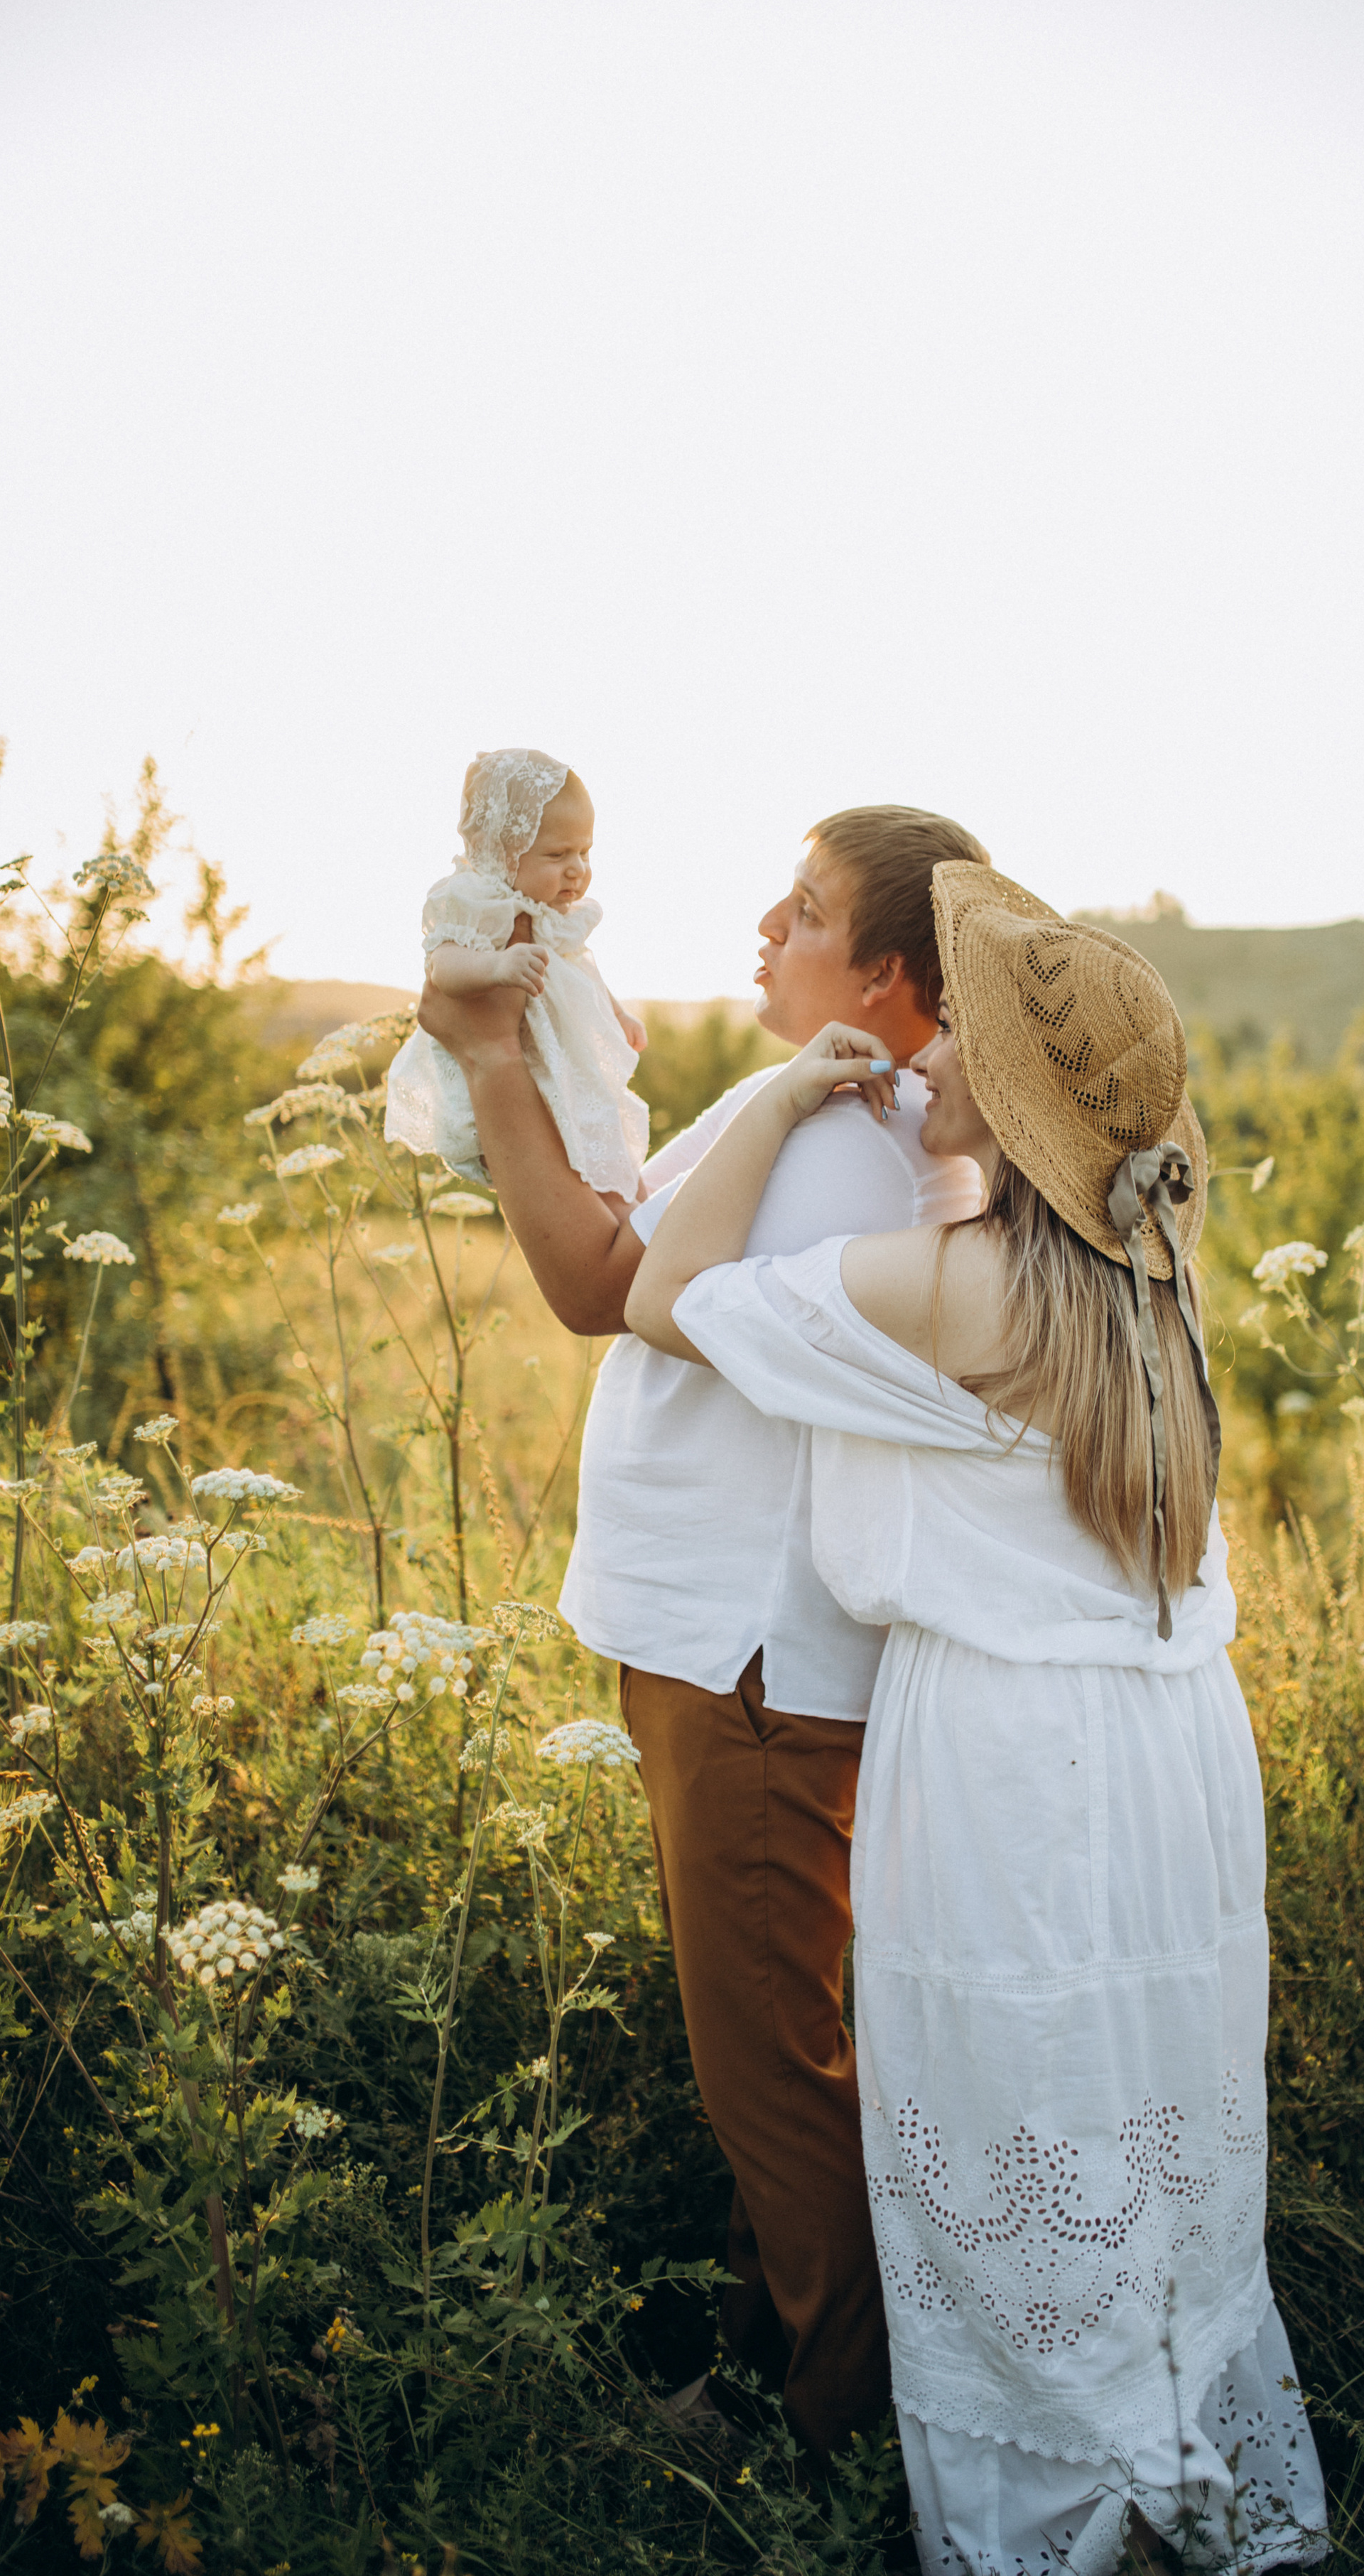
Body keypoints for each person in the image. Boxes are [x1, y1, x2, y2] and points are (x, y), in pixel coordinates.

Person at [627, 865, 1331, 2575]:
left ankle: (1056, 2510)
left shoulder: (944, 1289)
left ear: (1008, 1112)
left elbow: (659, 1294)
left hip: (1007, 1752)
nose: (929, 1050)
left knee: (1012, 2111)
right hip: (1167, 1745)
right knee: (1139, 2105)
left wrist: (779, 1094)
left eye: (968, 1050)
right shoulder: (1142, 1269)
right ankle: (1173, 2447)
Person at [415, 804, 990, 2456]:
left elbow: (597, 1280)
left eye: (801, 909)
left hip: (750, 1659)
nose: (763, 926)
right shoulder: (807, 1105)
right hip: (726, 1646)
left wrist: (492, 1052)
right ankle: (752, 2382)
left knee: (771, 2071)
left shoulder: (839, 1143)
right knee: (765, 2047)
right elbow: (615, 1224)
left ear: (886, 974)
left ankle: (834, 2442)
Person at [385, 747, 649, 1198]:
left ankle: (630, 1218)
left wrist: (618, 1014)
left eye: (585, 852)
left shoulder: (556, 916)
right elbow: (442, 966)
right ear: (500, 853)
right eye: (557, 854)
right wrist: (495, 966)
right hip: (516, 1074)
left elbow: (582, 967)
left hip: (565, 1068)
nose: (578, 869)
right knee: (553, 1167)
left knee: (605, 1154)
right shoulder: (479, 901)